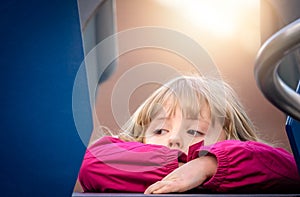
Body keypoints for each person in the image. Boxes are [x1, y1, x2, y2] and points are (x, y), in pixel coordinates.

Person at [78, 75, 300, 194]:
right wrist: (184, 166)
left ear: (231, 137)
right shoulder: (130, 161)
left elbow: (290, 169)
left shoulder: (246, 164)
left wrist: (210, 166)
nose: (174, 139)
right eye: (160, 130)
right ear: (141, 137)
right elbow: (92, 161)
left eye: (194, 131)